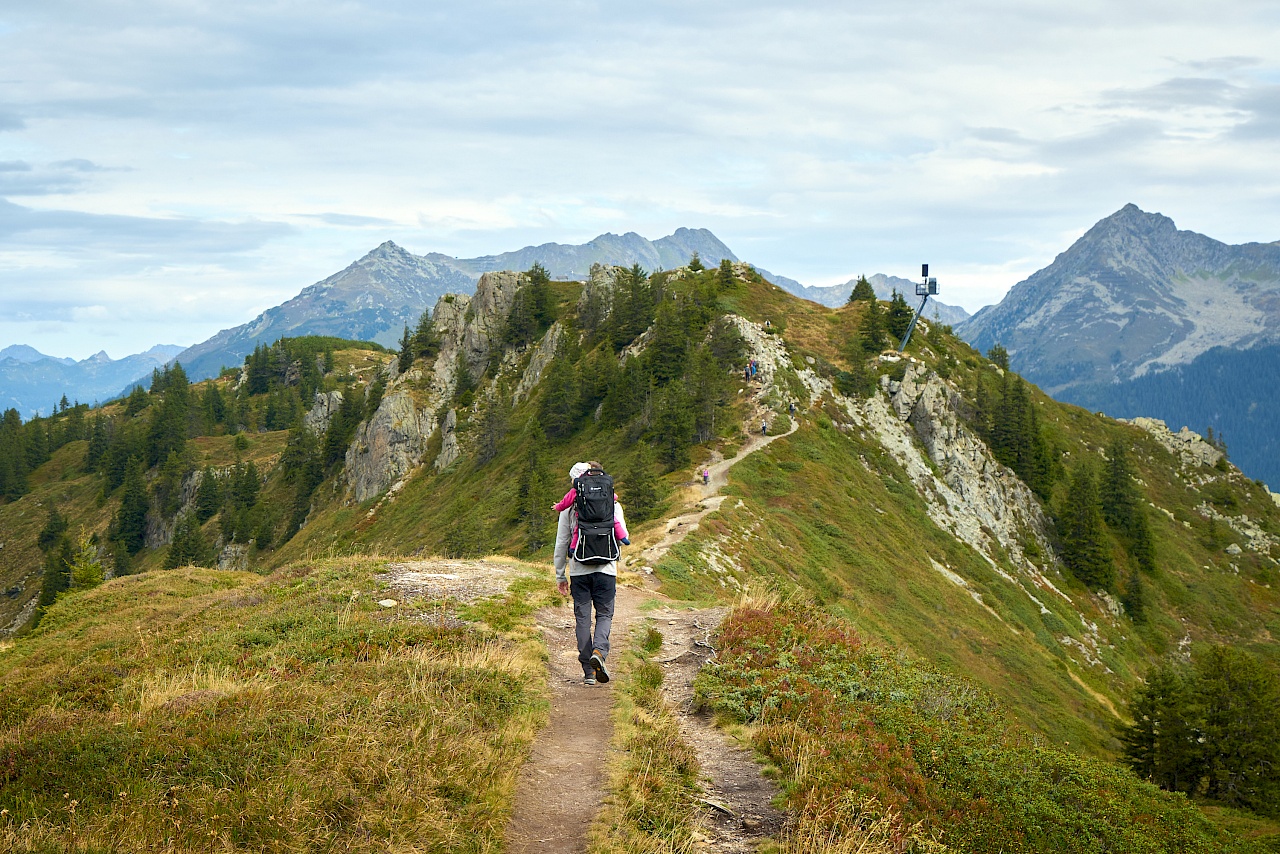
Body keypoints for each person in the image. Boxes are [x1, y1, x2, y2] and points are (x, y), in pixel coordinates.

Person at [555, 461, 628, 686]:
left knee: (583, 619)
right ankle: (599, 651)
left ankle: (588, 671)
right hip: (606, 569)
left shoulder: (569, 507)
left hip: (579, 570)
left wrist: (560, 575)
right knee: (605, 615)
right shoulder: (612, 503)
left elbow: (561, 543)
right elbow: (621, 536)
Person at [552, 462, 629, 550]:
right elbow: (614, 497)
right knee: (615, 522)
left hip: (585, 520)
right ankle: (623, 538)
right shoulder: (604, 488)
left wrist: (557, 507)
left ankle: (573, 548)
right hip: (605, 522)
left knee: (578, 531)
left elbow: (565, 503)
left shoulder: (576, 490)